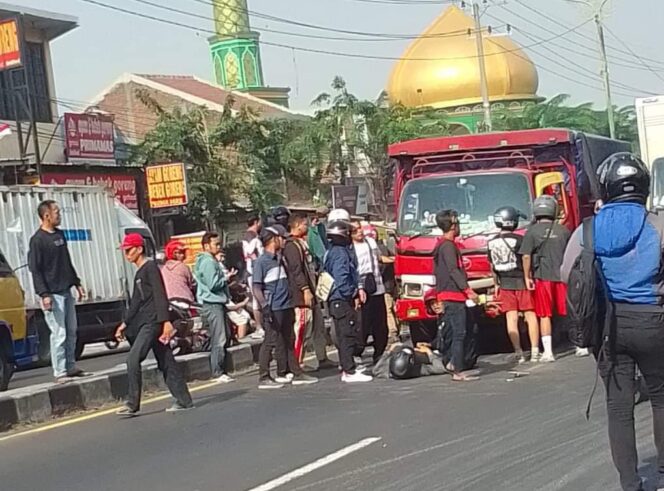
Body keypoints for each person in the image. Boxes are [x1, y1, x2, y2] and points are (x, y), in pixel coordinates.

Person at [562, 153, 664, 491]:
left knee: (619, 408)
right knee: (661, 398)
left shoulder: (586, 230)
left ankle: (630, 482)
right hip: (654, 322)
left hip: (607, 327)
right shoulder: (658, 224)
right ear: (644, 187)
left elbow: (568, 274)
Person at [114, 233, 193, 416]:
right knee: (165, 360)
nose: (126, 254)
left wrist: (165, 322)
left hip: (153, 323)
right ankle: (184, 399)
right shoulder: (140, 273)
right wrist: (125, 323)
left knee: (133, 359)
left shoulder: (150, 268)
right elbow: (136, 302)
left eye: (129, 250)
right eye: (125, 251)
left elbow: (160, 295)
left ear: (139, 249)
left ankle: (132, 403)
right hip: (147, 322)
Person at [28, 200, 88, 383]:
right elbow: (35, 270)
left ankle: (71, 366)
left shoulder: (60, 235)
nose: (59, 215)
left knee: (71, 330)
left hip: (66, 289)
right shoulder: (37, 240)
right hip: (52, 294)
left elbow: (66, 261)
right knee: (59, 332)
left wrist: (76, 282)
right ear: (46, 216)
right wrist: (44, 294)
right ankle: (60, 371)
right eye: (56, 212)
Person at [254, 225, 318, 389]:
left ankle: (295, 372)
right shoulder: (262, 262)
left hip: (286, 305)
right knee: (270, 341)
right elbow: (256, 288)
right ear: (272, 240)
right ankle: (264, 376)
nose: (283, 241)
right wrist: (264, 306)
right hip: (273, 307)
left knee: (289, 339)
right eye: (280, 238)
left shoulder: (280, 259)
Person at [519, 195, 571, 363]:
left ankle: (548, 352)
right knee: (571, 312)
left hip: (543, 277)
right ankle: (580, 345)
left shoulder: (531, 232)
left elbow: (526, 256)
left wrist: (527, 277)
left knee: (544, 314)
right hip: (563, 277)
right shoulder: (564, 230)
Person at [487, 206, 539, 364]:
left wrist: (495, 283)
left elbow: (491, 265)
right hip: (520, 280)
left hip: (504, 282)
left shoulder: (491, 242)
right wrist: (528, 277)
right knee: (530, 315)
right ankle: (535, 350)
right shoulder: (519, 240)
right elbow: (525, 259)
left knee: (511, 317)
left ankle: (518, 352)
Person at [433, 209, 479, 382]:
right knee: (459, 333)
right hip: (453, 295)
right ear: (453, 226)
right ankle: (457, 369)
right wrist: (468, 290)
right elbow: (453, 270)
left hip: (449, 294)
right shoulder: (447, 246)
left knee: (456, 331)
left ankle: (454, 363)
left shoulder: (442, 246)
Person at [324, 219, 373, 383]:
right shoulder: (339, 254)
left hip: (337, 299)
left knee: (345, 333)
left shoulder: (332, 252)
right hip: (341, 299)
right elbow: (342, 278)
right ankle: (349, 370)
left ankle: (348, 366)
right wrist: (352, 293)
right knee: (346, 334)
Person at [194, 232, 234, 384]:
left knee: (222, 335)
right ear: (206, 246)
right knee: (220, 337)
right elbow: (213, 284)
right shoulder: (208, 262)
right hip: (213, 303)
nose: (219, 246)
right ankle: (218, 371)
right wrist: (226, 279)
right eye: (216, 244)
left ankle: (221, 368)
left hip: (213, 302)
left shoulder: (208, 260)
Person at [350, 220, 389, 364]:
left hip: (377, 287)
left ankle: (379, 353)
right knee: (362, 324)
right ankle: (357, 352)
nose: (359, 232)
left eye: (359, 228)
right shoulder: (350, 248)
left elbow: (379, 258)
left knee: (380, 324)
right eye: (355, 230)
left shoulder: (371, 242)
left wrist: (394, 260)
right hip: (362, 291)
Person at [283, 213, 318, 367]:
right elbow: (296, 271)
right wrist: (305, 289)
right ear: (297, 225)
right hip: (299, 295)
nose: (307, 227)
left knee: (306, 330)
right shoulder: (292, 246)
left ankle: (300, 361)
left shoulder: (300, 243)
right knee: (301, 328)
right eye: (304, 224)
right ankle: (296, 363)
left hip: (308, 289)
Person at [372, 341, 447, 380]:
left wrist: (389, 351)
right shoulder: (417, 369)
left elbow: (376, 371)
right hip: (428, 356)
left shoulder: (389, 371)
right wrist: (429, 353)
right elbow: (440, 368)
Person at [242, 215, 264, 338]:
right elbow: (252, 254)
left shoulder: (248, 236)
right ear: (256, 222)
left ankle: (260, 326)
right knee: (257, 300)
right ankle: (259, 327)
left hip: (254, 271)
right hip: (254, 271)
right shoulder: (252, 237)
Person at [308, 206, 329, 272]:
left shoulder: (328, 225)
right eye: (318, 215)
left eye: (322, 215)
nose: (319, 217)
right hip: (319, 259)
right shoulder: (314, 228)